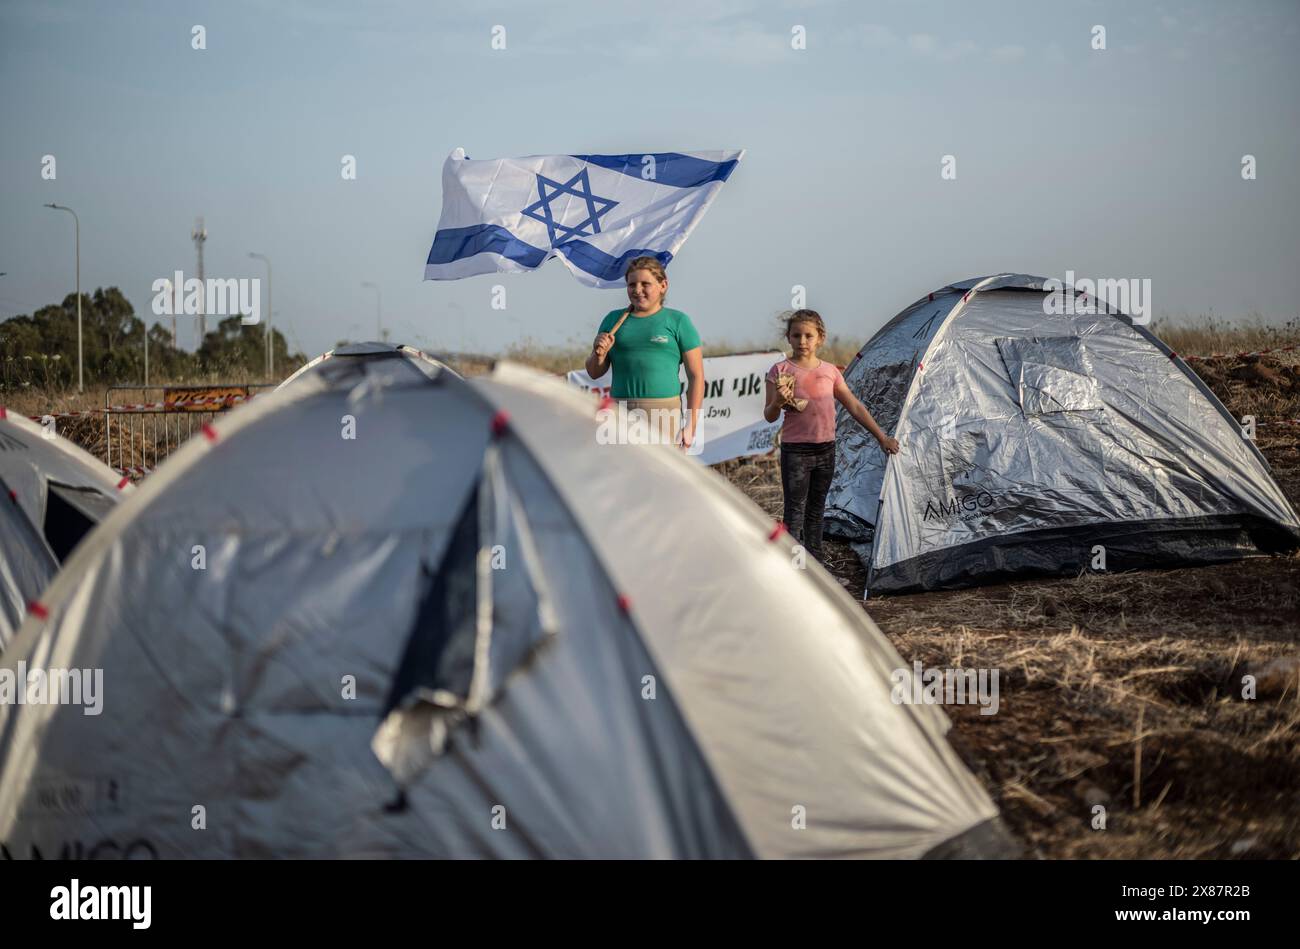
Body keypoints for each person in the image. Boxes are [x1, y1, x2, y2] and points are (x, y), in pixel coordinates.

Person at [764, 309, 900, 562]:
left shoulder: (830, 371)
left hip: (825, 450)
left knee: (817, 510)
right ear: (788, 338)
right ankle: (790, 566)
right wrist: (778, 402)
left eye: (808, 335)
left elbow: (855, 406)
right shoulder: (779, 370)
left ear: (820, 338)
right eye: (796, 335)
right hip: (795, 452)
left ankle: (815, 563)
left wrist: (882, 437)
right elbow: (769, 415)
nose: (802, 341)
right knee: (794, 510)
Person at [586, 257, 704, 451]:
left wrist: (691, 426)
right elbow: (594, 372)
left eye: (645, 284)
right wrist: (598, 354)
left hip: (664, 413)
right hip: (620, 411)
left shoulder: (678, 321)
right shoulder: (613, 321)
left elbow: (696, 376)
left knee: (662, 477)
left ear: (663, 285)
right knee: (621, 475)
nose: (637, 290)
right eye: (632, 284)